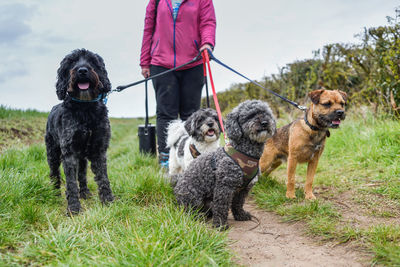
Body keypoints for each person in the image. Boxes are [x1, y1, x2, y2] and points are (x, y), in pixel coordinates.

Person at [140, 0, 216, 169]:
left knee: (191, 113)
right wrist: (145, 62)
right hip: (161, 63)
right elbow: (148, 29)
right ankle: (166, 158)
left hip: (194, 62)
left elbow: (208, 23)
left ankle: (193, 156)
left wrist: (207, 43)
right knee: (166, 113)